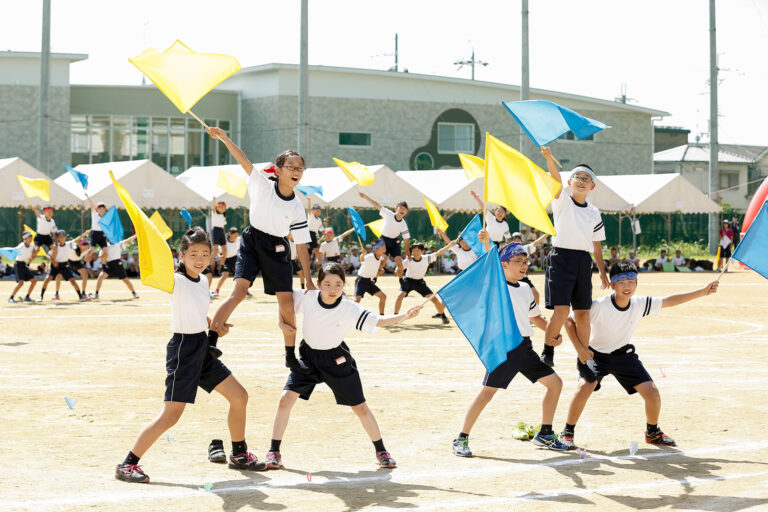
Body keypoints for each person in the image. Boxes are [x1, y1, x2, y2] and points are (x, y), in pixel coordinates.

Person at [115, 228, 266, 484]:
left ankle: (239, 454)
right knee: (171, 415)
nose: (199, 259)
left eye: (205, 254)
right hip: (183, 350)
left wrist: (213, 324)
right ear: (182, 255)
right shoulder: (175, 280)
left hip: (202, 347)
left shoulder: (204, 281)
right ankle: (127, 464)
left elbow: (197, 310)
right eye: (193, 254)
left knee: (239, 396)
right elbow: (159, 270)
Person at [264, 263, 422, 470]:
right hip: (308, 358)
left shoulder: (349, 308)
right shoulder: (308, 297)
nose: (332, 289)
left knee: (361, 408)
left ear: (344, 286)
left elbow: (379, 321)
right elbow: (284, 302)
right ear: (319, 284)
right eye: (327, 283)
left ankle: (381, 451)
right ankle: (274, 451)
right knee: (285, 400)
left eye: (338, 284)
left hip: (336, 360)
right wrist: (280, 321)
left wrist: (405, 316)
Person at [559, 261, 719, 449]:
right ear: (612, 285)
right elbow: (569, 321)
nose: (627, 286)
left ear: (636, 283)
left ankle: (652, 432)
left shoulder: (639, 303)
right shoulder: (600, 306)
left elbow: (669, 301)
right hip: (595, 356)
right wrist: (580, 349)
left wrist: (703, 291)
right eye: (621, 282)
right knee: (585, 387)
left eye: (631, 281)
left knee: (652, 393)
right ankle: (567, 432)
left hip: (622, 355)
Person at [452, 235, 568, 457]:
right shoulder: (495, 286)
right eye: (518, 261)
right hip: (504, 348)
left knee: (555, 384)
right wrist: (487, 243)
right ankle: (461, 438)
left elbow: (536, 318)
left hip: (524, 348)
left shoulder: (525, 289)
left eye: (526, 262)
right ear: (503, 264)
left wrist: (553, 334)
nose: (524, 266)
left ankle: (545, 433)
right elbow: (490, 266)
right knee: (487, 393)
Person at [205, 127, 315, 360]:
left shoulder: (296, 207)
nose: (296, 171)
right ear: (278, 169)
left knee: (286, 303)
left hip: (277, 248)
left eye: (300, 168)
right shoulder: (262, 184)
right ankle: (210, 342)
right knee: (238, 292)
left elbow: (303, 246)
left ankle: (290, 356)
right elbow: (243, 159)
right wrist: (225, 138)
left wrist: (310, 280)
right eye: (291, 167)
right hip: (252, 240)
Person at [540, 146, 608, 368]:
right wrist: (550, 158)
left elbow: (596, 246)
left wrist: (603, 274)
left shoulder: (594, 212)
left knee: (583, 314)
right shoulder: (562, 201)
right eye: (577, 177)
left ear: (592, 186)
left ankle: (583, 358)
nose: (581, 180)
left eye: (586, 178)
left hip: (582, 261)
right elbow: (555, 179)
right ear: (570, 182)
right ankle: (547, 350)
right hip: (561, 258)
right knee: (561, 310)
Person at [393, 241, 455, 323]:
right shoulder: (409, 260)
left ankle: (443, 316)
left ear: (422, 251)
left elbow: (439, 252)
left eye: (418, 250)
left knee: (435, 299)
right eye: (414, 250)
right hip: (408, 281)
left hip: (420, 282)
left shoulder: (427, 258)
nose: (416, 252)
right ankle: (395, 316)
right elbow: (398, 269)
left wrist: (449, 245)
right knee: (400, 296)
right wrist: (397, 271)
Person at [358, 192, 410, 277]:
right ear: (396, 209)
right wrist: (365, 197)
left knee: (399, 263)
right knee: (382, 260)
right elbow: (376, 205)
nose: (402, 210)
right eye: (400, 207)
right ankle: (374, 277)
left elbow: (406, 241)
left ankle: (401, 281)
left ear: (406, 212)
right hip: (383, 240)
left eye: (404, 209)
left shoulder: (404, 225)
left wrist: (408, 255)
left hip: (394, 242)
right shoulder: (388, 214)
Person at [39, 229, 89, 302]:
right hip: (55, 265)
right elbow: (48, 255)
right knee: (47, 279)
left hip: (64, 265)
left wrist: (84, 234)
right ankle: (41, 296)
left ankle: (80, 296)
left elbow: (77, 239)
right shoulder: (55, 246)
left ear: (65, 237)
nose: (62, 238)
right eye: (60, 236)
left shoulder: (69, 244)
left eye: (63, 236)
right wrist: (53, 260)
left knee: (72, 281)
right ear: (57, 238)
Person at [94, 235, 139, 299]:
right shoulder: (104, 247)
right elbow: (100, 256)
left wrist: (136, 235)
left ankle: (134, 293)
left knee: (126, 280)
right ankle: (96, 294)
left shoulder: (118, 244)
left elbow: (128, 240)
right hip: (109, 264)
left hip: (117, 264)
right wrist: (102, 256)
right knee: (100, 277)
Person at [354, 239, 388, 314]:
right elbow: (362, 260)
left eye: (385, 248)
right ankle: (350, 316)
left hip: (369, 281)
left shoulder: (380, 258)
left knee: (383, 297)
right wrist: (363, 254)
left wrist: (380, 270)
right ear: (375, 249)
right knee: (357, 300)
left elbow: (378, 268)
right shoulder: (370, 256)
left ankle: (381, 316)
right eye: (382, 248)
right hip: (361, 280)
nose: (384, 250)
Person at [8, 231, 38, 303]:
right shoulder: (21, 245)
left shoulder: (32, 246)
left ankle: (27, 297)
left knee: (34, 281)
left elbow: (32, 256)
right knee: (21, 283)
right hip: (18, 265)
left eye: (31, 238)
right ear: (24, 239)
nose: (30, 239)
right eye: (29, 238)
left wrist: (33, 256)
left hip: (24, 264)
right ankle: (11, 298)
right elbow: (14, 250)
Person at [214, 227, 241, 297]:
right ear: (229, 234)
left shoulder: (239, 240)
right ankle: (217, 290)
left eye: (237, 235)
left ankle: (245, 291)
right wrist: (219, 256)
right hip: (226, 260)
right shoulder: (224, 242)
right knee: (224, 276)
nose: (235, 236)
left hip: (235, 259)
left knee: (240, 276)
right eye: (234, 234)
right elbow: (218, 252)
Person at [85, 194, 109, 258]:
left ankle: (97, 258)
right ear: (97, 210)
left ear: (105, 210)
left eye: (103, 209)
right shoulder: (94, 214)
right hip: (95, 233)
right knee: (91, 250)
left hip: (102, 234)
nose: (101, 210)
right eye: (100, 209)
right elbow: (92, 205)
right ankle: (85, 259)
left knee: (106, 252)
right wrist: (88, 197)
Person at [307, 200, 325, 271]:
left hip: (314, 235)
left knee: (317, 250)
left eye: (319, 211)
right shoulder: (311, 216)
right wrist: (309, 201)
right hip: (307, 234)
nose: (318, 212)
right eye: (317, 210)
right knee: (307, 253)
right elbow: (308, 209)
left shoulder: (319, 220)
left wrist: (325, 234)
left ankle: (319, 264)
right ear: (313, 211)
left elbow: (322, 229)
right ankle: (307, 266)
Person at [210, 199, 228, 270]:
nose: (222, 209)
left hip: (221, 231)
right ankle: (208, 264)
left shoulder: (223, 216)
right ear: (217, 208)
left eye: (223, 208)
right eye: (220, 207)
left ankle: (223, 265)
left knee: (225, 249)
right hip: (216, 230)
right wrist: (214, 200)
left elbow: (223, 227)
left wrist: (224, 234)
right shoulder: (214, 213)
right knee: (215, 250)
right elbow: (213, 207)